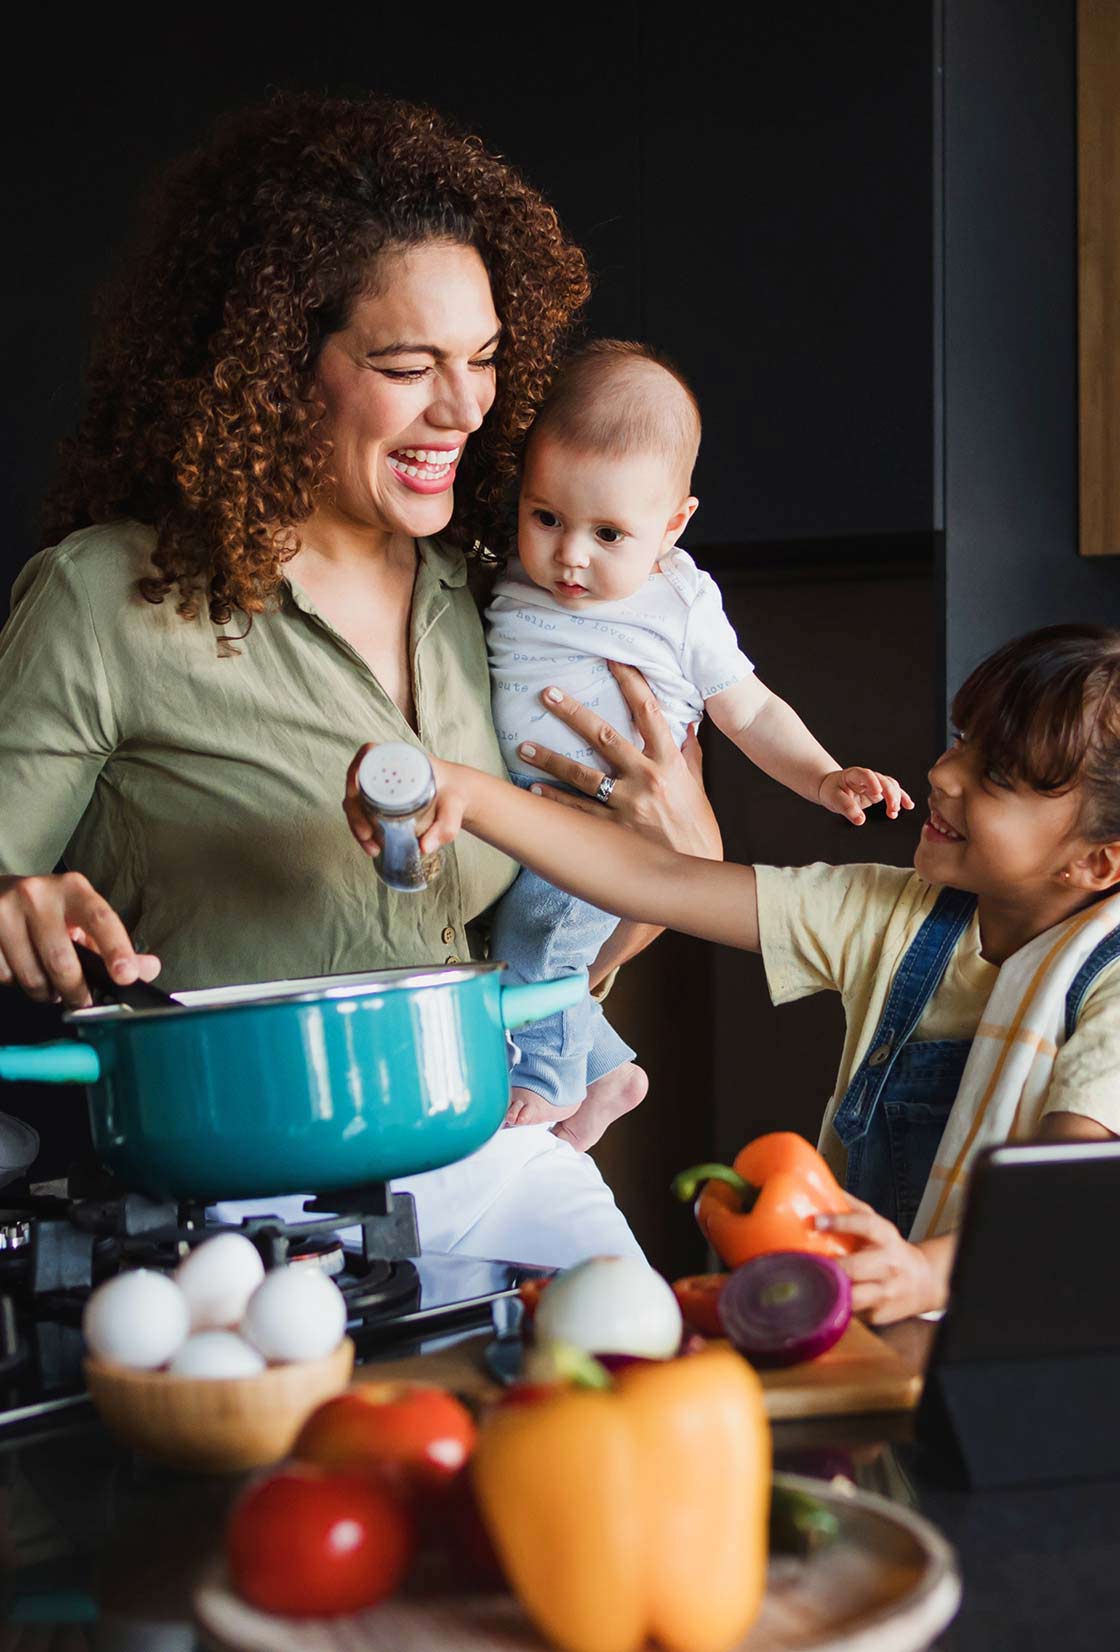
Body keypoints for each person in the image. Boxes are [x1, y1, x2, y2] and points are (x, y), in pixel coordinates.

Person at [0, 92, 720, 1267]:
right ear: (279, 366)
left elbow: (580, 930)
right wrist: (11, 898)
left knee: (660, 1407)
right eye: (406, 364)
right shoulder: (105, 600)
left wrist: (668, 862)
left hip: (495, 1159)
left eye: (484, 358)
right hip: (240, 1216)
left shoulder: (498, 595)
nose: (466, 408)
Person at [348, 625, 1120, 1321]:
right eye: (962, 739)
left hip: (1030, 1355)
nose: (946, 772)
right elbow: (660, 882)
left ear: (1098, 861)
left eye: (999, 776)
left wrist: (926, 1274)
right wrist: (470, 795)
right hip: (881, 1328)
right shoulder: (896, 917)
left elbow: (1060, 1194)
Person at [481, 340, 913, 1150]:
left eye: (609, 534)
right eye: (546, 517)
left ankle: (546, 1078)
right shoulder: (513, 571)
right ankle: (606, 1070)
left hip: (601, 829)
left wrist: (823, 777)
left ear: (673, 524)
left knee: (534, 943)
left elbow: (749, 713)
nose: (569, 555)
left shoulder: (677, 604)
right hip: (529, 819)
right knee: (528, 947)